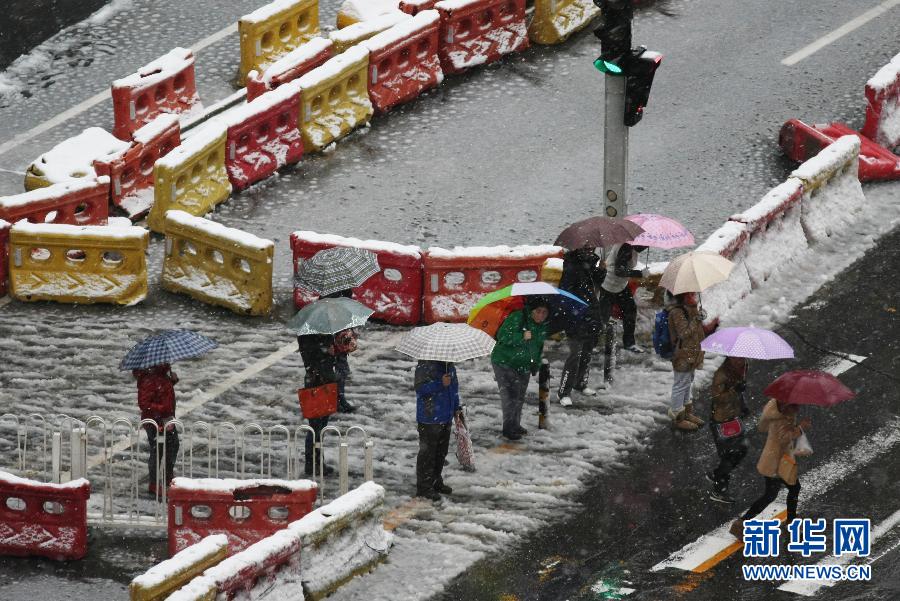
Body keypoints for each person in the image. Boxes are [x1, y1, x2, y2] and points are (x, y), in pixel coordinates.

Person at [730, 400, 810, 539]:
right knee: (785, 491)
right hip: (777, 463)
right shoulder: (781, 419)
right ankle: (790, 521)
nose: (798, 408)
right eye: (795, 406)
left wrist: (794, 425)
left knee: (776, 493)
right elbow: (784, 438)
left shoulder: (777, 411)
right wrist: (800, 428)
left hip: (776, 459)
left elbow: (766, 428)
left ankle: (742, 523)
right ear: (787, 407)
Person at [298, 330, 357, 476]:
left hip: (323, 384)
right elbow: (315, 359)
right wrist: (328, 351)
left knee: (319, 427)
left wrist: (340, 347)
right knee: (316, 428)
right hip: (318, 385)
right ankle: (313, 464)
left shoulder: (319, 334)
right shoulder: (310, 337)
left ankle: (316, 463)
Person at [491, 298, 549, 440]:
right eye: (538, 311)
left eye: (544, 313)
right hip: (505, 361)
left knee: (519, 397)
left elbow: (537, 348)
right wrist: (521, 336)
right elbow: (502, 336)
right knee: (510, 396)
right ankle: (508, 428)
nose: (541, 315)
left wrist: (535, 366)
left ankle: (515, 424)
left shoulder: (541, 326)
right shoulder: (518, 317)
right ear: (532, 311)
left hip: (523, 365)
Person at [555, 247, 606, 408]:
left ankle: (580, 383)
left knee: (587, 351)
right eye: (587, 246)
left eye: (592, 246)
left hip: (591, 314)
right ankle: (564, 392)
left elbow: (595, 283)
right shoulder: (571, 267)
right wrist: (575, 311)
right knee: (575, 354)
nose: (591, 248)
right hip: (577, 317)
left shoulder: (589, 264)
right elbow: (565, 293)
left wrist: (601, 270)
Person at [414, 360, 462, 501]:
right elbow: (420, 389)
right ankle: (424, 487)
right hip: (429, 417)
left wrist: (456, 407)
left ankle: (435, 480)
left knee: (441, 452)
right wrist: (440, 384)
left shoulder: (450, 366)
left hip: (445, 416)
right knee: (428, 454)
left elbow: (454, 389)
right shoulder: (425, 366)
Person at [706, 356, 750, 503]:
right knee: (728, 456)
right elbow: (717, 397)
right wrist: (733, 390)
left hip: (733, 418)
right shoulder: (721, 374)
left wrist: (743, 406)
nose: (741, 361)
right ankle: (719, 490)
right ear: (729, 358)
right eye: (737, 359)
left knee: (741, 449)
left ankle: (717, 474)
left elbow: (739, 394)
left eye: (742, 358)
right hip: (721, 421)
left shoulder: (741, 369)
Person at [667, 291, 710, 431]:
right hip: (682, 355)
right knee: (680, 384)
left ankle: (687, 412)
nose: (694, 296)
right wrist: (697, 319)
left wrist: (699, 316)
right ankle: (677, 416)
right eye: (691, 294)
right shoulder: (677, 312)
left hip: (692, 354)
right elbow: (683, 333)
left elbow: (697, 332)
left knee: (687, 382)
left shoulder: (690, 309)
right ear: (683, 296)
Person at [134, 364, 180, 495]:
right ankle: (154, 483)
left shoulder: (161, 374)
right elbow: (144, 404)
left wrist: (172, 381)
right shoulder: (149, 378)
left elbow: (162, 392)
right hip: (155, 421)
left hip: (167, 419)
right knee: (158, 450)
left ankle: (168, 476)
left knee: (173, 445)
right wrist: (162, 408)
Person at [598, 243, 649, 353]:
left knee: (630, 311)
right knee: (604, 316)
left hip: (621, 285)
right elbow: (619, 271)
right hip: (609, 284)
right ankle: (593, 343)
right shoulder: (626, 247)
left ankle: (629, 343)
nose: (645, 248)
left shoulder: (630, 247)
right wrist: (639, 274)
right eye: (644, 246)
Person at [323, 289, 357, 414]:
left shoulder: (339, 289)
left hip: (338, 333)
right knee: (333, 370)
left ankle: (339, 398)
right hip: (332, 335)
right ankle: (336, 399)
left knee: (340, 369)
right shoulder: (331, 295)